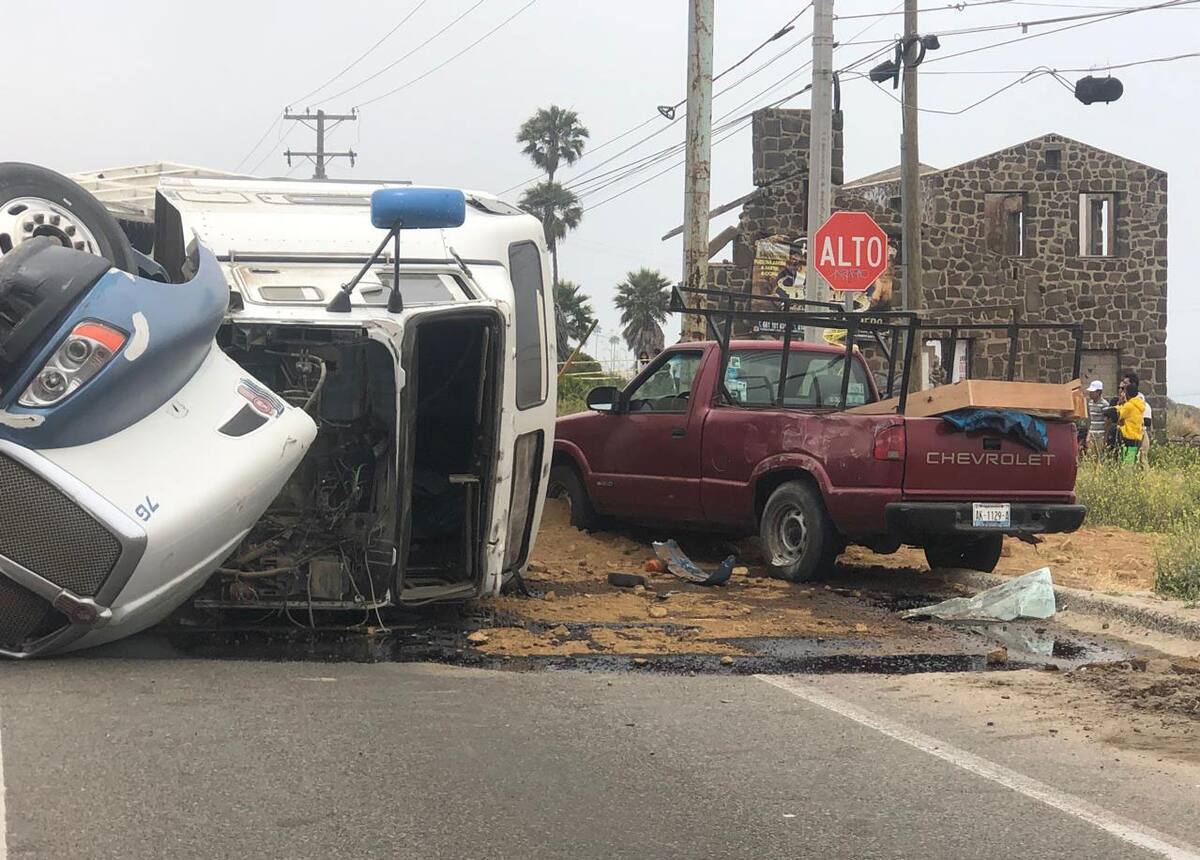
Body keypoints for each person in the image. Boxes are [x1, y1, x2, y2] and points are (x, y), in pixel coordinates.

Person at [1110, 373, 1146, 465]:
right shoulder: (1139, 403)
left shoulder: (1129, 405)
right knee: (1130, 462)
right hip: (1136, 437)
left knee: (1126, 463)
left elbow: (1116, 415)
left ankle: (1127, 477)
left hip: (1128, 437)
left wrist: (1120, 403)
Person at [1082, 379, 1107, 456]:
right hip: (1092, 434)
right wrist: (1088, 434)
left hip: (1100, 435)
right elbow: (1091, 421)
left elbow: (1107, 421)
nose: (1090, 393)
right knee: (1091, 456)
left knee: (1099, 456)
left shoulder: (1104, 404)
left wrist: (1104, 437)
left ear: (1099, 392)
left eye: (1092, 392)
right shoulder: (1090, 403)